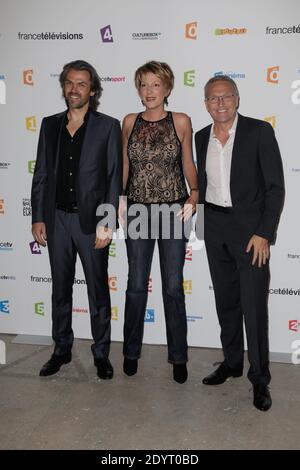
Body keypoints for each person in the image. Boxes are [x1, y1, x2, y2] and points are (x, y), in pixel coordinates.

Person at [195, 75, 284, 410]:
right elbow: (202, 186)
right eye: (213, 98)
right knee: (226, 303)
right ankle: (232, 363)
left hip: (251, 235)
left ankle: (259, 379)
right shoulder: (202, 137)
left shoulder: (259, 132)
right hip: (215, 228)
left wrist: (264, 233)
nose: (220, 103)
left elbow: (275, 188)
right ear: (206, 104)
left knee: (254, 307)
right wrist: (202, 227)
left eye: (226, 97)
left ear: (237, 99)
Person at [31, 60, 122, 379]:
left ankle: (101, 354)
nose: (74, 88)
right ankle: (61, 350)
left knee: (98, 289)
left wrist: (107, 222)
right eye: (70, 82)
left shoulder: (108, 126)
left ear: (92, 90)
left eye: (82, 83)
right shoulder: (49, 124)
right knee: (60, 289)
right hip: (56, 221)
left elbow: (113, 177)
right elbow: (41, 173)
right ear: (63, 87)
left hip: (92, 223)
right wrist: (38, 216)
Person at [120, 61, 198, 384]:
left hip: (173, 211)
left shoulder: (180, 121)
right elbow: (125, 162)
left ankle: (178, 356)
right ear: (138, 90)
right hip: (137, 210)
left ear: (167, 88)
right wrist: (120, 197)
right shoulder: (128, 122)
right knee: (136, 284)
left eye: (155, 85)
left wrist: (195, 194)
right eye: (144, 85)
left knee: (171, 286)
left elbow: (187, 162)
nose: (149, 91)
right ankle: (130, 352)